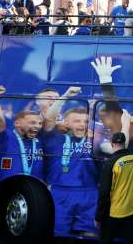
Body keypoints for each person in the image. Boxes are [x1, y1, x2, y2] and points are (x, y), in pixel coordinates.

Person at [40, 88, 100, 237]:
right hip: (60, 192)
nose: (82, 124)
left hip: (90, 193)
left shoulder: (97, 140)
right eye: (77, 121)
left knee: (90, 234)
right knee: (58, 233)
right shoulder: (55, 138)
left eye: (86, 121)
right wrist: (65, 96)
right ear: (65, 122)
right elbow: (48, 120)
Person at [0, 86, 44, 179]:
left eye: (40, 123)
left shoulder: (40, 140)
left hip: (34, 188)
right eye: (32, 122)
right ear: (17, 123)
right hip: (10, 186)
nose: (37, 126)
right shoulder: (7, 137)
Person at [96, 132, 133, 244]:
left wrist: (99, 216)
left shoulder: (111, 163)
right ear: (124, 143)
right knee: (130, 239)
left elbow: (104, 192)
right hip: (131, 209)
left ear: (112, 144)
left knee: (106, 239)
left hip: (114, 212)